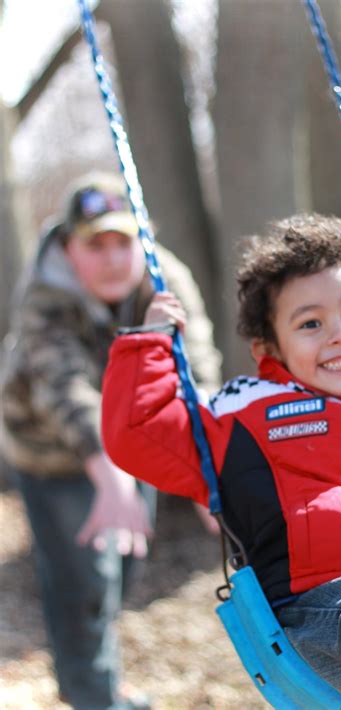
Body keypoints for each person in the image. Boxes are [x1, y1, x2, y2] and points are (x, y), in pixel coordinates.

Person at [101, 213, 341, 709]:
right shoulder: (242, 415)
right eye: (311, 323)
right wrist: (150, 342)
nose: (339, 334)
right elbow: (137, 432)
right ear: (268, 347)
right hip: (319, 621)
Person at [0, 171, 221, 710]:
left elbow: (195, 371)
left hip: (129, 443)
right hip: (53, 452)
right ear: (68, 247)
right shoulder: (44, 294)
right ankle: (92, 695)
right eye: (95, 245)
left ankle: (99, 674)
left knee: (120, 569)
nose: (113, 259)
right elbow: (66, 391)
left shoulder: (165, 279)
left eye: (123, 242)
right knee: (81, 578)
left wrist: (208, 474)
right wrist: (108, 474)